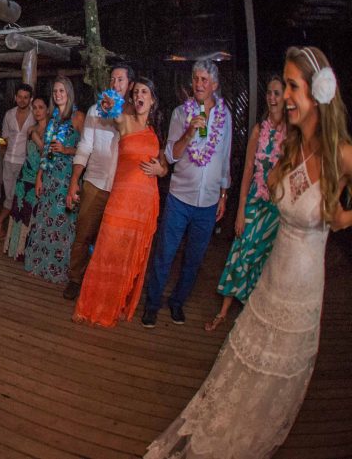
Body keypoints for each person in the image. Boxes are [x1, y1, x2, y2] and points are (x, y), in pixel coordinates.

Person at [146, 46, 352, 458]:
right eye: (285, 88)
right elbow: (264, 181)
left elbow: (226, 162)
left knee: (280, 368)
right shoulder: (288, 146)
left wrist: (338, 217)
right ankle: (155, 305)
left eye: (292, 87)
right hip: (266, 267)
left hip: (304, 282)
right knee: (248, 360)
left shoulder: (340, 154)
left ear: (320, 91)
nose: (285, 97)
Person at [142, 60, 233, 328]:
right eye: (196, 79)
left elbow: (225, 157)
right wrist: (189, 132)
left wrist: (224, 196)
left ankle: (177, 303)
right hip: (180, 198)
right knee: (165, 254)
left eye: (205, 80)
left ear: (214, 84)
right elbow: (170, 155)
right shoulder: (181, 113)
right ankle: (152, 304)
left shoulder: (224, 117)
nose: (200, 84)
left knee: (194, 259)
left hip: (208, 202)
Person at [73, 78, 167, 327]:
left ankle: (117, 302)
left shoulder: (156, 131)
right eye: (136, 92)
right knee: (108, 248)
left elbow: (164, 163)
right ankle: (97, 304)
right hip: (122, 197)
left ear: (153, 100)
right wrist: (108, 102)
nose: (139, 95)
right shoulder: (124, 120)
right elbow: (111, 112)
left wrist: (162, 171)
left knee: (129, 252)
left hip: (144, 201)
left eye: (144, 92)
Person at [205, 75, 286, 332]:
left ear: (285, 98)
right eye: (269, 93)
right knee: (241, 249)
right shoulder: (258, 130)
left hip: (278, 206)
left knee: (265, 258)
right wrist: (240, 209)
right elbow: (248, 169)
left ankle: (253, 313)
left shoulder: (293, 134)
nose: (271, 98)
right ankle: (224, 312)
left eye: (277, 93)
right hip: (254, 199)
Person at [62, 65, 134, 300]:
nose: (115, 84)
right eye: (112, 79)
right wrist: (75, 181)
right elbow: (84, 148)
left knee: (113, 240)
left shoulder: (134, 115)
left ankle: (104, 282)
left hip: (122, 188)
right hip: (94, 182)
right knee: (83, 234)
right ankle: (75, 278)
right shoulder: (94, 111)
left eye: (121, 80)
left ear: (130, 85)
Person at [24, 77, 84, 284]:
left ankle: (60, 270)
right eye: (55, 91)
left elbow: (87, 151)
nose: (58, 94)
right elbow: (45, 153)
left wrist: (67, 150)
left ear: (69, 92)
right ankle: (40, 265)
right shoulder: (52, 120)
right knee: (44, 220)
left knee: (63, 223)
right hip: (49, 176)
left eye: (62, 91)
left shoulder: (77, 117)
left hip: (67, 177)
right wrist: (39, 177)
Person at [4, 96, 49, 260]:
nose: (37, 111)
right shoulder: (30, 129)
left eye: (41, 107)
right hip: (24, 176)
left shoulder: (52, 130)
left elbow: (47, 152)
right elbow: (28, 153)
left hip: (40, 177)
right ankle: (15, 249)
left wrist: (35, 136)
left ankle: (27, 252)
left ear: (47, 109)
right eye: (35, 108)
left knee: (33, 214)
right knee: (18, 211)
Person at [0, 84, 34, 238]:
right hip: (9, 160)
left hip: (25, 163)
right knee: (10, 196)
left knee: (22, 198)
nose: (22, 100)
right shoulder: (9, 114)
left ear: (30, 99)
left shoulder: (34, 116)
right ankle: (1, 223)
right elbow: (4, 135)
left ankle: (15, 232)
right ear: (15, 97)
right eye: (20, 97)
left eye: (26, 97)